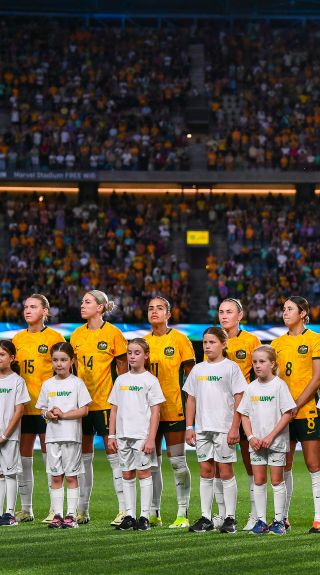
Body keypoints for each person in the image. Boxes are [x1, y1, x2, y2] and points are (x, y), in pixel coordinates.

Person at [70, 290, 128, 526]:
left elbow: (123, 369)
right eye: (82, 301)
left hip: (105, 403)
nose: (82, 305)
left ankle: (124, 509)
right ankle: (82, 510)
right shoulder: (75, 335)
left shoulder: (114, 334)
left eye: (87, 302)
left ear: (101, 307)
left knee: (114, 455)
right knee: (83, 457)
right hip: (82, 405)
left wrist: (123, 400)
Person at [184, 327, 246, 534]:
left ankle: (230, 517)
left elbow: (239, 398)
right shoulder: (198, 369)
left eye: (212, 342)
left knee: (226, 472)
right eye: (205, 343)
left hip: (224, 428)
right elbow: (191, 398)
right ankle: (206, 517)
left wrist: (235, 426)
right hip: (202, 429)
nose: (208, 346)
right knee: (205, 472)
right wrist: (189, 427)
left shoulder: (231, 368)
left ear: (223, 344)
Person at [12, 294, 65, 523]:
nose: (27, 310)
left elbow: (63, 371)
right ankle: (27, 509)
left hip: (47, 408)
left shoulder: (55, 337)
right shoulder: (17, 338)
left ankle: (55, 509)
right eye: (25, 307)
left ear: (45, 311)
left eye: (33, 307)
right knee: (23, 458)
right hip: (23, 407)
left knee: (50, 458)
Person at [144, 296, 195, 528]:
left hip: (174, 410)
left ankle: (182, 513)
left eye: (160, 308)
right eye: (151, 308)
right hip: (147, 413)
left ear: (168, 314)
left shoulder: (180, 340)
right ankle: (153, 513)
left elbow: (192, 379)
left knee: (177, 462)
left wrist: (191, 412)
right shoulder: (142, 343)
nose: (154, 312)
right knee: (150, 463)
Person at [271, 296, 320, 534]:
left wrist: (295, 405)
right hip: (284, 414)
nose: (285, 312)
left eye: (290, 309)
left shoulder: (315, 339)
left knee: (313, 464)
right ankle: (283, 518)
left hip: (306, 411)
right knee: (285, 464)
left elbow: (317, 378)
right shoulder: (277, 344)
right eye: (283, 309)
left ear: (303, 313)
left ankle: (319, 519)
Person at [238, 345, 296, 535]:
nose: (257, 365)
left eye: (262, 361)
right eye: (255, 362)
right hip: (256, 444)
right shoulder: (251, 387)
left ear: (272, 364)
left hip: (276, 443)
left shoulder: (279, 385)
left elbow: (288, 413)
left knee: (277, 481)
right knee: (259, 480)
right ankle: (261, 521)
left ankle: (279, 521)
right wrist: (251, 437)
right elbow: (244, 414)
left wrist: (271, 436)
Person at [108, 338, 165, 531]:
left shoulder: (150, 380)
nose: (132, 356)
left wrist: (151, 439)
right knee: (126, 473)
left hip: (142, 436)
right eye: (130, 353)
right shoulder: (121, 379)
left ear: (146, 355)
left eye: (137, 353)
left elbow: (156, 412)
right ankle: (129, 515)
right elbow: (114, 409)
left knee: (144, 473)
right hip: (123, 435)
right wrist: (111, 435)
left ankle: (144, 516)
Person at [217, 298, 261, 531]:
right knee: (218, 464)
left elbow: (260, 375)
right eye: (221, 312)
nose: (224, 316)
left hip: (245, 411)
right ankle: (222, 514)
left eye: (229, 312)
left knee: (249, 461)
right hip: (219, 411)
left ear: (239, 316)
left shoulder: (251, 340)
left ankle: (255, 514)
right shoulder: (214, 339)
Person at [36, 342, 91, 529]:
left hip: (71, 436)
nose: (59, 364)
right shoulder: (47, 384)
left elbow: (84, 410)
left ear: (72, 361)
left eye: (63, 360)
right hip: (52, 437)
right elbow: (41, 409)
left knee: (71, 476)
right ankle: (57, 515)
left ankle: (71, 515)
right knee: (56, 476)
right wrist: (48, 414)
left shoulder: (77, 383)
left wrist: (64, 415)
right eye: (55, 360)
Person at [0, 340, 30, 526]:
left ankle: (10, 513)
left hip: (8, 437)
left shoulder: (17, 381)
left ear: (12, 358)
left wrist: (4, 435)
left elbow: (19, 411)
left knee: (10, 473)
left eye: (2, 355)